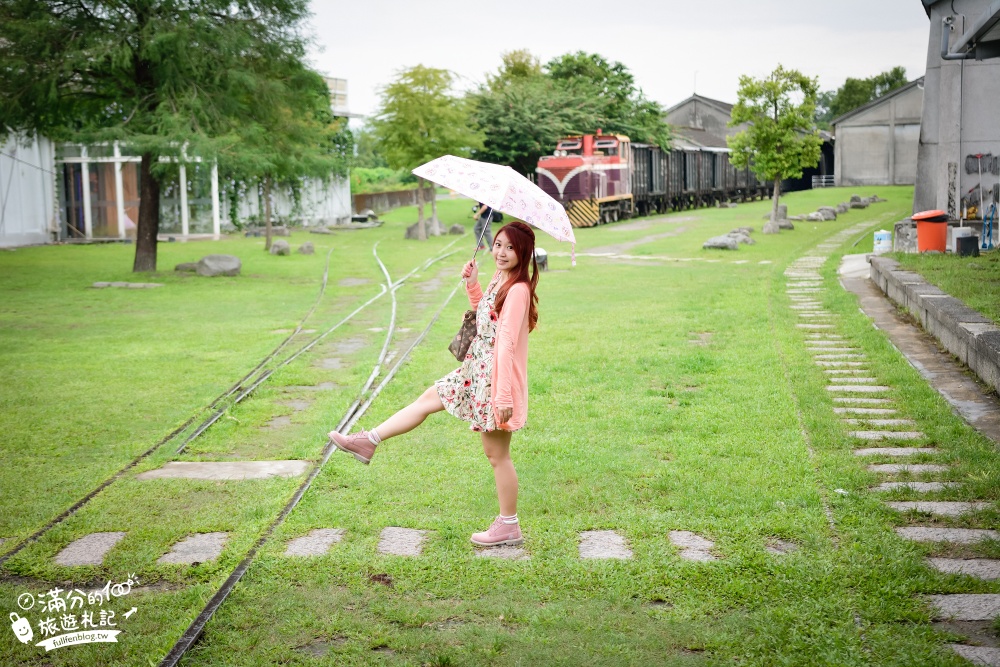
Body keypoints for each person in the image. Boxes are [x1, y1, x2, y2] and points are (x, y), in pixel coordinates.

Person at [330, 221, 540, 548]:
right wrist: (473, 284)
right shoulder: (502, 280)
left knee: (497, 455)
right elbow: (483, 314)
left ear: (523, 252)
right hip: (477, 371)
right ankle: (368, 440)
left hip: (494, 381)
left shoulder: (518, 290)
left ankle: (509, 525)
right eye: (498, 244)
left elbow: (507, 343)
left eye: (510, 248)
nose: (501, 252)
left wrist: (501, 397)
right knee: (429, 399)